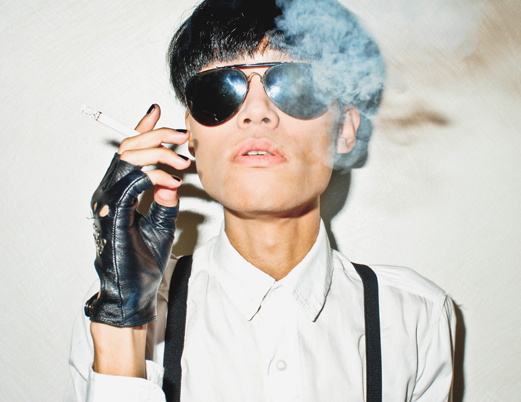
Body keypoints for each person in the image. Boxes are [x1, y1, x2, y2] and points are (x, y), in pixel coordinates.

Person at [66, 0, 456, 401]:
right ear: (191, 137)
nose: (256, 112)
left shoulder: (413, 317)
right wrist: (123, 326)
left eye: (295, 86)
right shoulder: (115, 310)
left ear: (344, 129)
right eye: (220, 90)